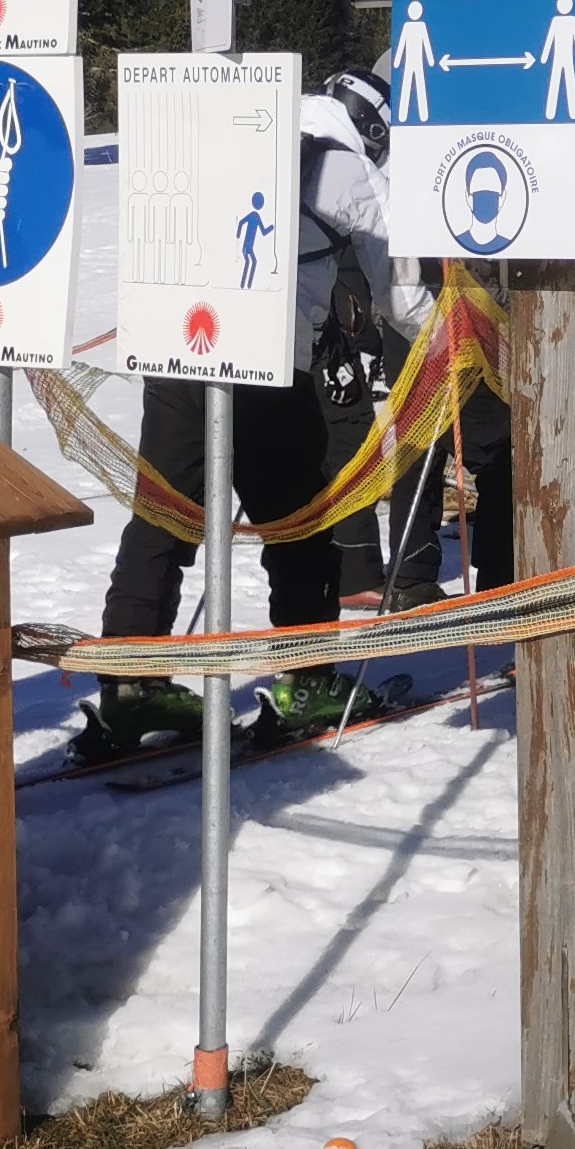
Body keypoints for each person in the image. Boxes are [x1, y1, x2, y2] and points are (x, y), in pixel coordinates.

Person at [81, 70, 442, 755]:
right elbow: (399, 291)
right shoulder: (345, 170)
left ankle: (130, 684)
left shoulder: (231, 136)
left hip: (179, 352)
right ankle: (307, 681)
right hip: (268, 366)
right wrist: (454, 339)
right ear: (373, 128)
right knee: (300, 529)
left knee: (164, 517)